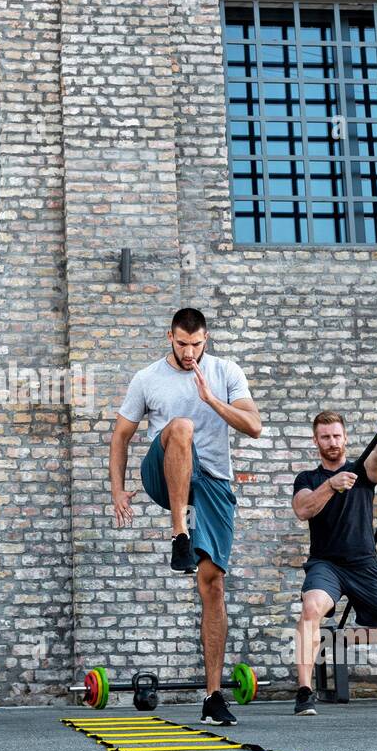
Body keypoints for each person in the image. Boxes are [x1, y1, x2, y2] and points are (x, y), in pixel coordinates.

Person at [110, 307, 262, 726]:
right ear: (170, 338)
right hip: (163, 474)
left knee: (212, 583)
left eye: (196, 344)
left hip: (211, 483)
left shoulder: (226, 372)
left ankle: (213, 696)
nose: (189, 351)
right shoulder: (148, 378)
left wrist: (212, 400)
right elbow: (121, 435)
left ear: (205, 339)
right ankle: (180, 534)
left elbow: (254, 426)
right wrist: (117, 489)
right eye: (182, 343)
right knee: (180, 426)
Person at [291, 408, 377, 716]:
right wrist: (331, 485)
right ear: (316, 441)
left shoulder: (361, 470)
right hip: (326, 565)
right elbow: (303, 509)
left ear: (345, 438)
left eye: (336, 435)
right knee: (310, 609)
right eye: (325, 437)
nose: (332, 441)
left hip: (363, 566)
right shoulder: (307, 478)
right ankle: (305, 692)